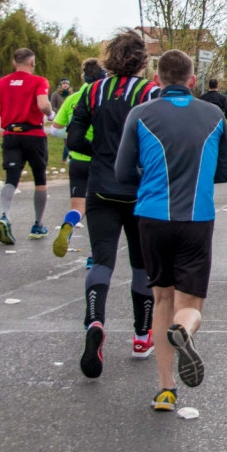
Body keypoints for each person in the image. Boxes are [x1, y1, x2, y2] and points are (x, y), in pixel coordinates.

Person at [116, 50, 227, 411]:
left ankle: (166, 389)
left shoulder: (140, 114)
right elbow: (226, 172)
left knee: (162, 299)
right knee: (190, 304)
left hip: (152, 218)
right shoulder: (213, 114)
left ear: (157, 79)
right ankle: (184, 331)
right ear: (192, 80)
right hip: (197, 218)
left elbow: (122, 173)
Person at [67, 30, 161, 377]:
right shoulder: (150, 92)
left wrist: (102, 156)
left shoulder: (91, 91)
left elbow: (75, 139)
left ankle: (95, 322)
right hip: (140, 190)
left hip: (101, 187)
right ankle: (141, 337)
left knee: (102, 260)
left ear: (109, 58)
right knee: (141, 265)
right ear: (141, 60)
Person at [0, 47, 53, 244]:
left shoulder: (2, 82)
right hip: (33, 134)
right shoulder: (39, 81)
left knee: (11, 177)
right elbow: (43, 104)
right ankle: (38, 224)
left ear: (14, 63)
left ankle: (4, 216)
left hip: (10, 134)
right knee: (39, 178)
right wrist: (50, 113)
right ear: (32, 63)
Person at [51, 58, 105, 268]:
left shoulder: (73, 97)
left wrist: (72, 134)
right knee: (98, 210)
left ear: (83, 77)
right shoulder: (103, 98)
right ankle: (94, 255)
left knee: (78, 206)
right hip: (98, 159)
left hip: (76, 160)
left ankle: (69, 224)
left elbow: (55, 129)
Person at [50, 78, 72, 163]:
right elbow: (52, 106)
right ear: (61, 85)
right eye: (64, 84)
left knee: (68, 139)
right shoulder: (56, 94)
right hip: (60, 119)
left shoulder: (71, 94)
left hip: (69, 119)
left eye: (67, 83)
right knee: (67, 139)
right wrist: (59, 112)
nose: (65, 85)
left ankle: (65, 159)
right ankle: (65, 159)